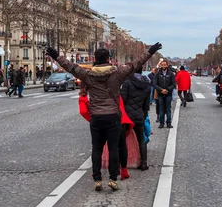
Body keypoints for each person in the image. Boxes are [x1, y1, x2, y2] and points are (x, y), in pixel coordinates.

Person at [46, 42, 161, 192]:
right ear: (108, 58)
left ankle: (97, 179)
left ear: (95, 58)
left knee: (97, 148)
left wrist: (55, 55)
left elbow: (70, 66)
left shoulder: (87, 74)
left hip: (97, 117)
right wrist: (150, 51)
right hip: (113, 116)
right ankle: (113, 179)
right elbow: (136, 64)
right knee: (114, 148)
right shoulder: (117, 73)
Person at [121, 66, 152, 171]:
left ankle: (122, 163)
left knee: (121, 140)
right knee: (141, 139)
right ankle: (144, 163)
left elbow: (123, 99)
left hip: (126, 116)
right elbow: (146, 104)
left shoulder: (127, 83)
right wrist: (143, 115)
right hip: (139, 114)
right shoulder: (147, 84)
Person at [153, 60, 176, 129]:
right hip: (160, 93)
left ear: (167, 65)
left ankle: (168, 123)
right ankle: (161, 123)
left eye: (164, 65)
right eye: (162, 65)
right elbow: (154, 84)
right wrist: (161, 90)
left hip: (168, 93)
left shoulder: (171, 73)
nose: (163, 66)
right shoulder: (157, 74)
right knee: (161, 109)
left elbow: (174, 84)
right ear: (160, 65)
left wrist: (167, 90)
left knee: (168, 108)